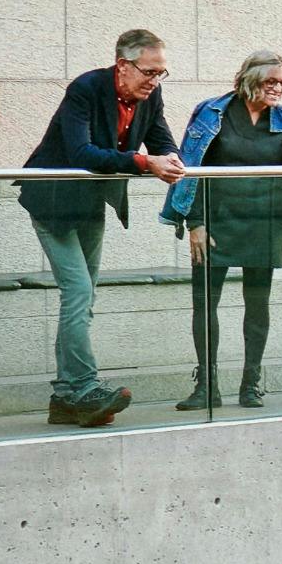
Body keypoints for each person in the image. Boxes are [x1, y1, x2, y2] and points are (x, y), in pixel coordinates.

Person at [15, 28, 184, 428]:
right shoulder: (86, 88)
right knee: (78, 291)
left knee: (84, 295)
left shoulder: (150, 95)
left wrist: (172, 159)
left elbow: (162, 139)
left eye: (162, 73)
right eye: (149, 71)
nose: (155, 80)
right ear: (123, 65)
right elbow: (82, 152)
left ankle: (65, 398)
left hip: (91, 201)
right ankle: (84, 386)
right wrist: (145, 164)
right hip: (52, 201)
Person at [160, 51, 282, 411]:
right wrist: (194, 223)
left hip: (266, 221)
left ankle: (250, 384)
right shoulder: (212, 112)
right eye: (271, 81)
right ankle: (206, 387)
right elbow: (190, 166)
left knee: (257, 304)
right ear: (250, 79)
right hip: (216, 220)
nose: (278, 88)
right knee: (205, 303)